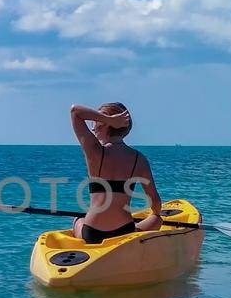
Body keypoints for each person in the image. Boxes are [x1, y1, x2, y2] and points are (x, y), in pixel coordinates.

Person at [68, 102, 163, 242]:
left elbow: (75, 111)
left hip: (92, 233)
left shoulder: (94, 152)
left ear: (104, 123)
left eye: (95, 122)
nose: (93, 128)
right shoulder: (139, 159)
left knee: (78, 220)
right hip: (124, 230)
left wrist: (109, 119)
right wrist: (155, 213)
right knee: (157, 219)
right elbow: (155, 201)